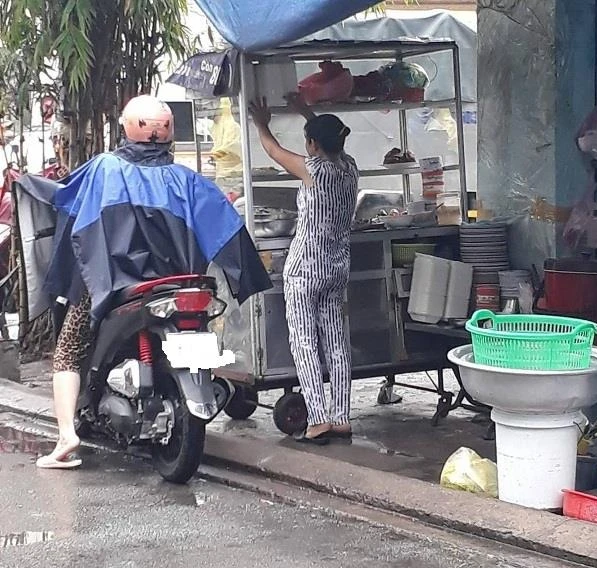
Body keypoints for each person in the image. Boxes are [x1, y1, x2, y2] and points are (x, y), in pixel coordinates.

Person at [34, 95, 270, 469]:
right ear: (169, 132)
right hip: (177, 285)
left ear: (128, 129)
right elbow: (227, 229)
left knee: (68, 349)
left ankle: (66, 435)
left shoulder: (103, 169)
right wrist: (249, 278)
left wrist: (26, 184)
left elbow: (66, 205)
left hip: (115, 285)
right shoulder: (188, 180)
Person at [249, 94, 358, 445]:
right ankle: (341, 417)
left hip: (304, 270)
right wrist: (306, 113)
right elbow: (329, 140)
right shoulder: (349, 167)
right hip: (337, 267)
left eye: (308, 140)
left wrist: (261, 123)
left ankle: (317, 419)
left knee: (305, 343)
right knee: (337, 342)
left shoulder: (314, 170)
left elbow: (273, 150)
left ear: (312, 145)